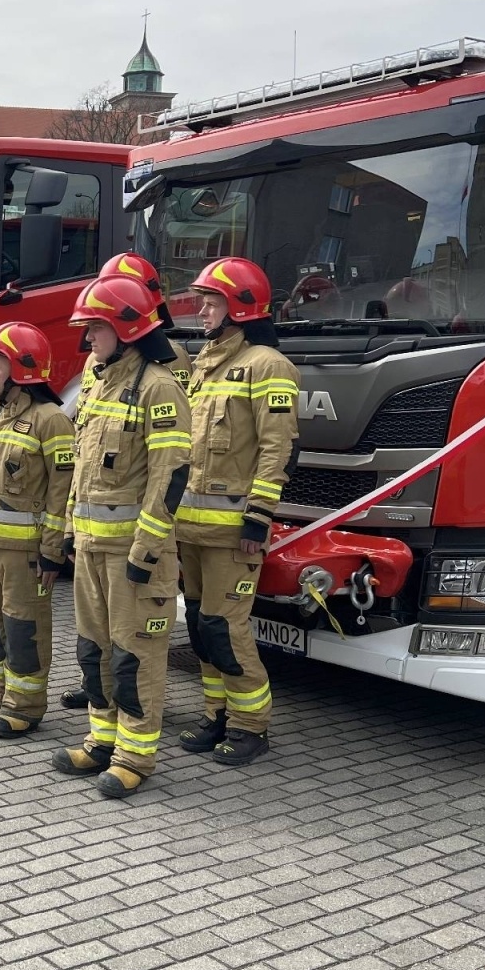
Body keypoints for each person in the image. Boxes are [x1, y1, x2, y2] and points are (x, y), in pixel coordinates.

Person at [51, 277, 193, 798]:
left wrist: (146, 549)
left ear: (126, 329)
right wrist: (71, 531)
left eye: (95, 327)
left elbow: (169, 476)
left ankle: (135, 756)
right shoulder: (97, 380)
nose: (87, 337)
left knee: (135, 657)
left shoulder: (159, 387)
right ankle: (102, 741)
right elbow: (83, 465)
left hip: (134, 556)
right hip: (91, 548)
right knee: (94, 652)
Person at [175, 257, 300, 766]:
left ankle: (251, 726)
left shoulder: (268, 365)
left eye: (212, 302)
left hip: (233, 532)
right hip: (190, 527)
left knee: (227, 629)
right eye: (203, 301)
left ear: (242, 308)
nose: (202, 310)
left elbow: (279, 447)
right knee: (202, 628)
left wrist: (259, 515)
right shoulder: (204, 364)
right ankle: (217, 715)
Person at [0, 322, 75, 738]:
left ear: (22, 369)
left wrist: (52, 552)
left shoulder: (51, 421)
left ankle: (24, 706)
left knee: (24, 630)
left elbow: (62, 493)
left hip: (23, 552)